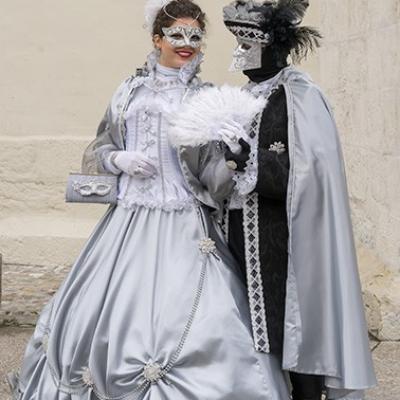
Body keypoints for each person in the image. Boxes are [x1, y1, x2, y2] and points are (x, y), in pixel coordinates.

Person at [7, 1, 291, 399]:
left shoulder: (205, 96)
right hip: (128, 217)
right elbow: (100, 146)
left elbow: (212, 179)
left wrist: (232, 161)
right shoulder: (128, 92)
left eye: (194, 35)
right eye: (176, 34)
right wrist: (118, 159)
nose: (186, 43)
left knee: (206, 313)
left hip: (186, 219)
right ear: (157, 39)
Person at [220, 1, 377, 399]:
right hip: (240, 234)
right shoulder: (244, 95)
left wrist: (245, 166)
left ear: (272, 46)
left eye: (245, 42)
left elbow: (307, 172)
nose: (239, 53)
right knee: (254, 338)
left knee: (294, 333)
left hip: (288, 239)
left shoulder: (300, 96)